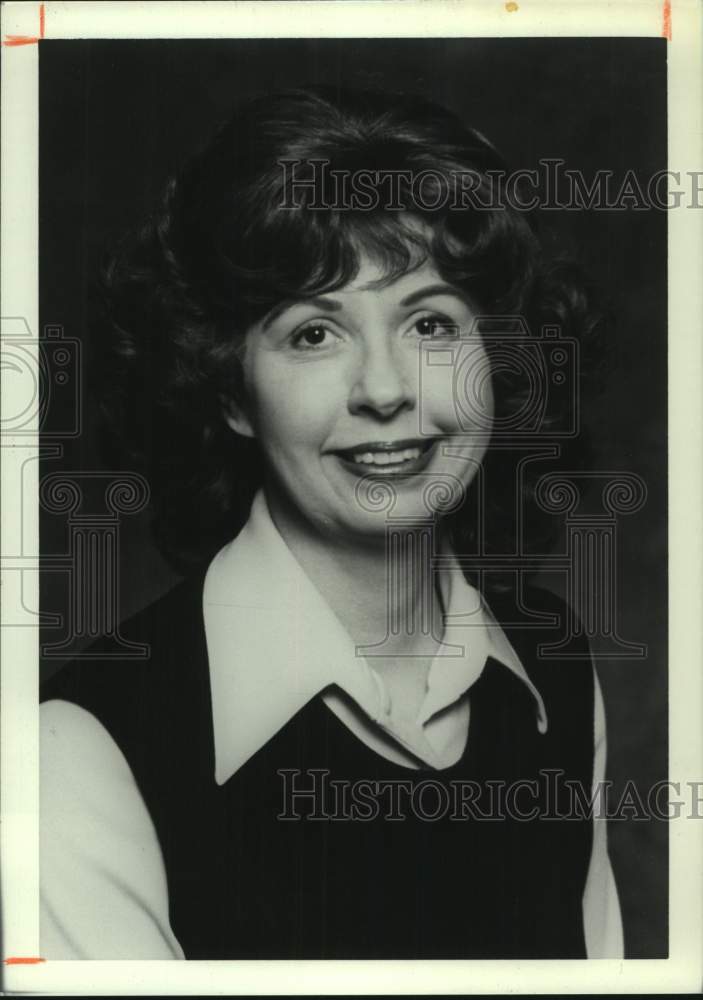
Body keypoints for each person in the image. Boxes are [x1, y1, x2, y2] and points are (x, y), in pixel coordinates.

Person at [40, 86, 623, 959]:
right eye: (313, 334)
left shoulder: (559, 679)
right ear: (230, 390)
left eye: (430, 322)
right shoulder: (81, 752)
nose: (383, 390)